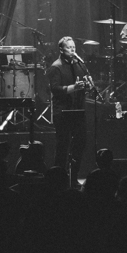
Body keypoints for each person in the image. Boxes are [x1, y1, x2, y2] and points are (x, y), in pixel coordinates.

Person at [46, 36, 92, 183]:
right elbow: (55, 89)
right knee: (63, 146)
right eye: (69, 48)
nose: (73, 50)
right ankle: (58, 179)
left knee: (80, 142)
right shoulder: (56, 67)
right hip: (63, 112)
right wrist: (74, 88)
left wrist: (89, 86)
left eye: (74, 48)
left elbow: (86, 84)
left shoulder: (79, 65)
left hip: (78, 110)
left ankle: (74, 177)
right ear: (61, 49)